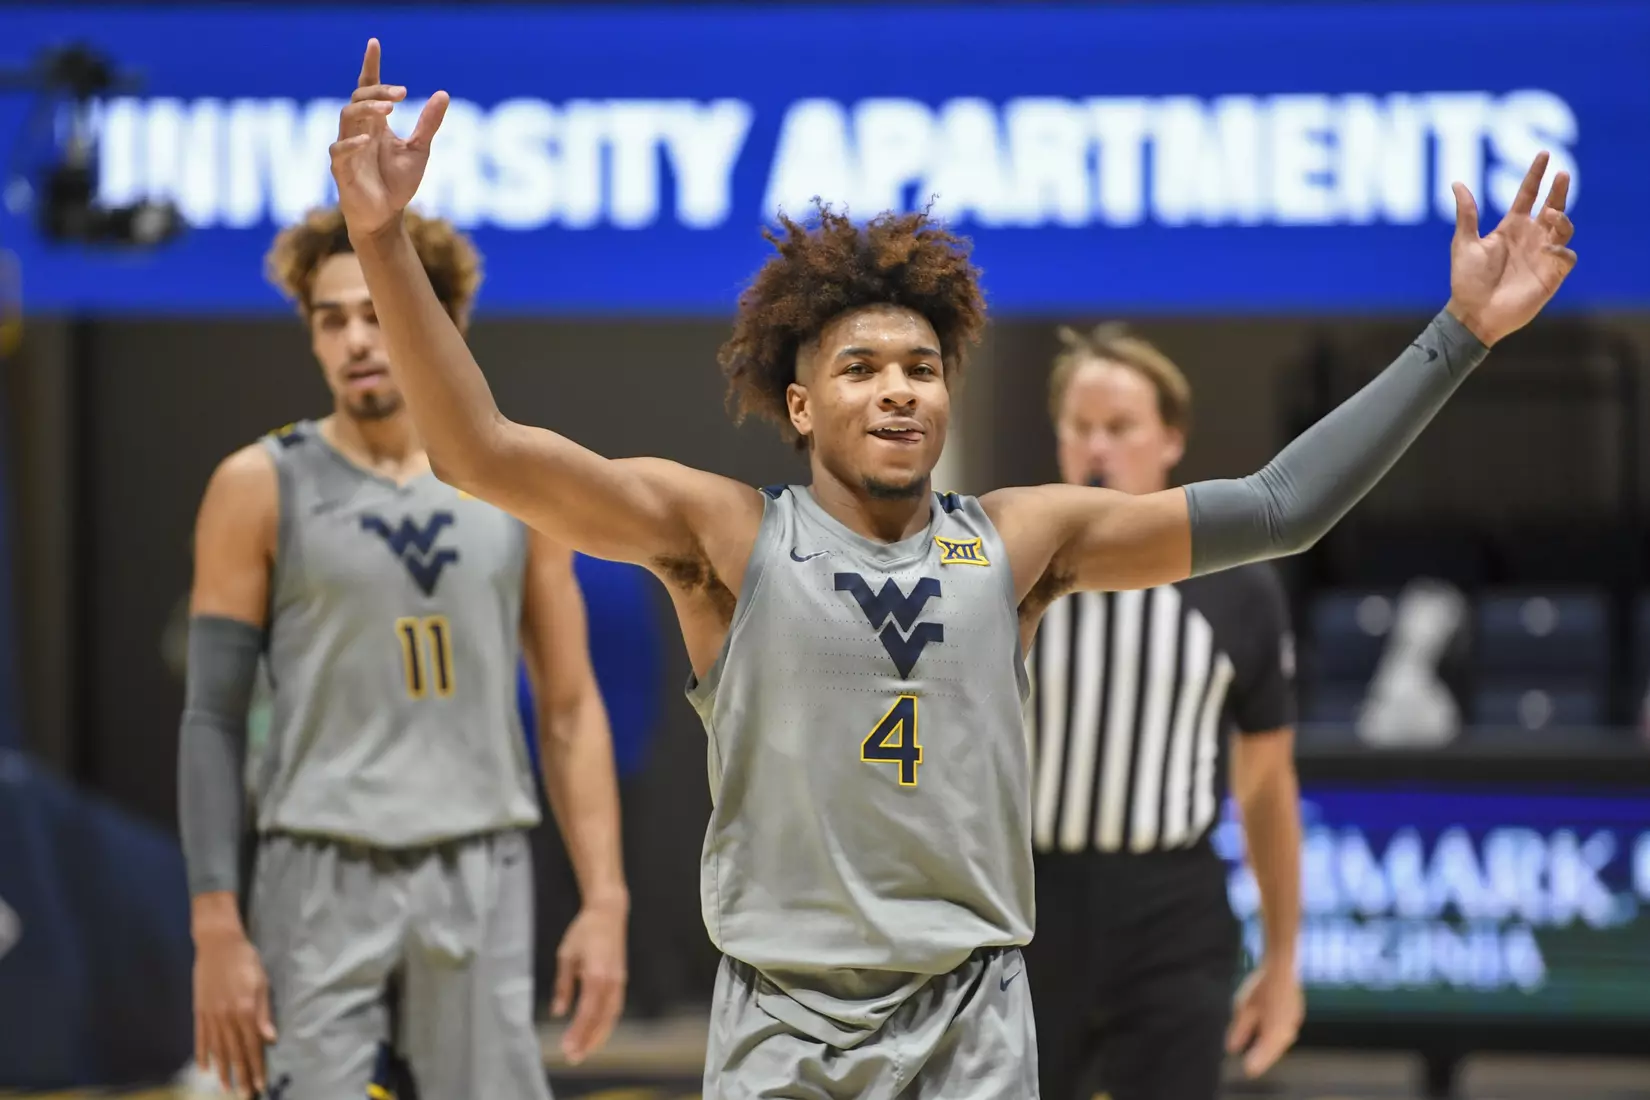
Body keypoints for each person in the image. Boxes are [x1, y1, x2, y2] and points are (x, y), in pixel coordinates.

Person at [327, 37, 1576, 1098]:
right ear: (801, 402)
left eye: (921, 367)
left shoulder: (1019, 538)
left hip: (972, 1021)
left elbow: (1279, 506)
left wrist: (1459, 336)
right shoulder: (723, 537)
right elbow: (481, 451)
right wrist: (381, 243)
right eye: (863, 367)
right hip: (781, 1023)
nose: (898, 390)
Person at [176, 205, 629, 1100]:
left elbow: (571, 708)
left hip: (480, 857)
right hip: (316, 865)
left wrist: (605, 898)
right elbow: (211, 718)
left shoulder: (518, 485)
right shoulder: (257, 484)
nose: (357, 339)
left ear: (441, 321)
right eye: (331, 318)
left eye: (380, 311)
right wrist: (215, 925)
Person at [1023, 325, 1302, 1100]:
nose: (1097, 448)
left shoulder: (1237, 587)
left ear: (1171, 440)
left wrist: (1282, 962)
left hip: (1172, 908)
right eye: (1080, 428)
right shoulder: (1011, 565)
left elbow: (1268, 785)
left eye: (1120, 427)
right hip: (1028, 904)